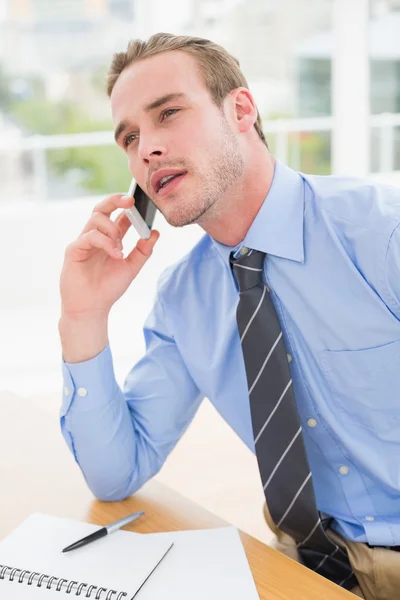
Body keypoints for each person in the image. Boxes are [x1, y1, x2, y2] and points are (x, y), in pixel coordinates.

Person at [58, 33, 400, 600]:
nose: (146, 149)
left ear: (241, 110)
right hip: (304, 564)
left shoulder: (380, 235)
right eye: (130, 138)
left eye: (168, 113)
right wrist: (83, 316)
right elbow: (115, 474)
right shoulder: (184, 299)